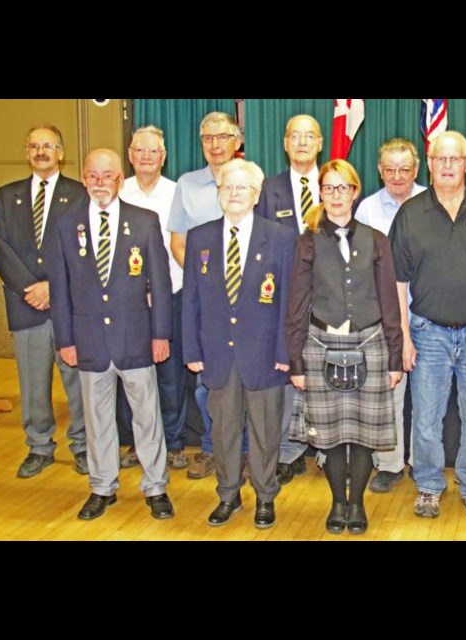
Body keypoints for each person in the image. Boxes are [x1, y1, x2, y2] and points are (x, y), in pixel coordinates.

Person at [389, 130, 466, 522]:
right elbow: (397, 282)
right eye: (440, 159)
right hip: (428, 333)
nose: (447, 166)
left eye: (455, 159)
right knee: (425, 417)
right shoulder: (411, 213)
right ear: (429, 164)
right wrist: (405, 338)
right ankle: (428, 486)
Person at [47, 148, 174, 521]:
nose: (100, 183)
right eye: (93, 176)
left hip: (136, 337)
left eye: (108, 176)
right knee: (97, 418)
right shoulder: (65, 223)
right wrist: (65, 340)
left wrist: (161, 333)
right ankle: (102, 486)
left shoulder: (145, 220)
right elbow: (60, 288)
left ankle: (156, 487)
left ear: (120, 180)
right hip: (88, 340)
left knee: (147, 415)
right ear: (84, 178)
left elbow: (162, 285)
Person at [286, 159, 403, 534]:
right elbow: (297, 303)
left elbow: (389, 301)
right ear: (321, 192)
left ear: (355, 192)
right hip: (321, 345)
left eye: (343, 187)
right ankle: (338, 502)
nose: (336, 195)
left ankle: (357, 504)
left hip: (370, 344)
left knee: (365, 434)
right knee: (332, 435)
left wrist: (395, 357)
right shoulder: (306, 241)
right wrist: (296, 362)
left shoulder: (377, 240)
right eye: (329, 188)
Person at [182, 159, 296, 528]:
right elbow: (191, 301)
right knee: (223, 430)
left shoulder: (280, 238)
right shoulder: (200, 237)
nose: (233, 194)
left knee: (265, 432)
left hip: (264, 355)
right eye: (227, 187)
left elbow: (288, 303)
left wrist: (284, 352)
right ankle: (228, 494)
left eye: (241, 188)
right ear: (218, 193)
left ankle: (265, 496)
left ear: (256, 195)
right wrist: (192, 350)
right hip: (217, 355)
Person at [0, 124, 88, 478]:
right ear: (27, 151)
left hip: (70, 306)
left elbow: (85, 250)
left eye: (48, 145)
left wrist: (53, 287)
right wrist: (31, 288)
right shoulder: (6, 195)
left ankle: (83, 446)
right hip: (25, 303)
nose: (41, 152)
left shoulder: (80, 194)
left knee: (77, 381)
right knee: (32, 382)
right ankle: (39, 446)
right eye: (34, 146)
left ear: (61, 152)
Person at [167, 112, 243, 480]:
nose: (214, 144)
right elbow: (177, 242)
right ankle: (213, 449)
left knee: (249, 379)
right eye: (207, 137)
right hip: (206, 301)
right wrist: (205, 281)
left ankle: (245, 452)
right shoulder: (187, 184)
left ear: (237, 140)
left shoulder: (251, 179)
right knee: (205, 384)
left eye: (222, 136)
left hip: (248, 300)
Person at [355, 137, 426, 494]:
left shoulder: (432, 201)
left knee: (429, 393)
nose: (397, 176)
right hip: (384, 315)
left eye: (405, 169)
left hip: (428, 311)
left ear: (416, 169)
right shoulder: (366, 209)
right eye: (390, 169)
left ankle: (423, 461)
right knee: (390, 389)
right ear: (380, 170)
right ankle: (390, 463)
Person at [256, 114, 324, 484]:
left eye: (309, 136)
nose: (301, 142)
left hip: (328, 298)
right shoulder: (268, 189)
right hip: (282, 300)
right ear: (284, 143)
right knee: (286, 375)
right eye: (295, 136)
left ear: (320, 143)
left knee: (325, 373)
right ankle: (288, 450)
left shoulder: (336, 184)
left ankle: (327, 450)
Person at [119, 126, 189, 470]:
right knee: (131, 372)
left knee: (170, 373)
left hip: (170, 295)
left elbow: (181, 246)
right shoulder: (117, 191)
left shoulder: (178, 194)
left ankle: (174, 443)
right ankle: (135, 442)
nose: (146, 157)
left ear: (163, 157)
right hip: (125, 303)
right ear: (130, 155)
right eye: (140, 151)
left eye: (153, 152)